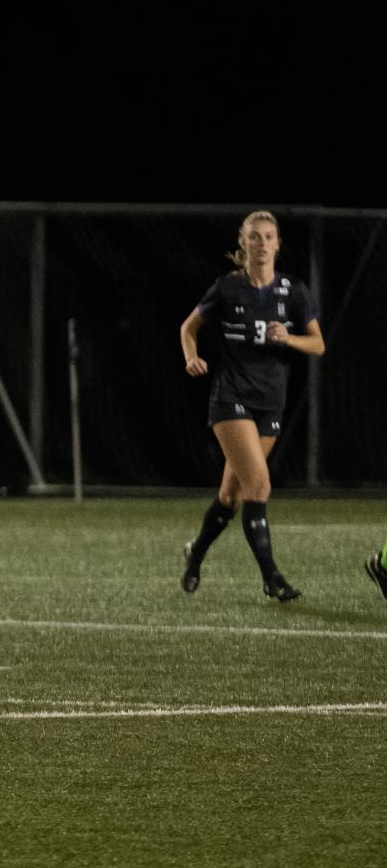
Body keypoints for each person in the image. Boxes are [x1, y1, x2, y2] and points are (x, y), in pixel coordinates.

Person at [178, 210, 324, 601]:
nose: (261, 243)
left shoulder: (293, 290)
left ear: (278, 244)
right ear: (243, 243)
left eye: (269, 237)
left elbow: (318, 344)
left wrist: (289, 338)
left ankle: (195, 555)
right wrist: (190, 356)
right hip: (231, 399)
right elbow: (188, 327)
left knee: (231, 495)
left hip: (271, 403)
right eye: (254, 237)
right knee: (259, 484)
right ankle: (271, 577)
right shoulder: (226, 288)